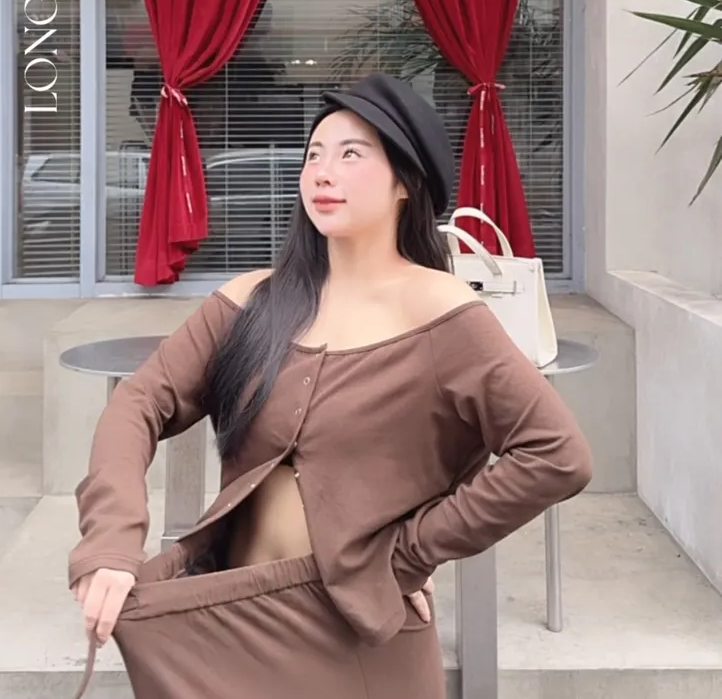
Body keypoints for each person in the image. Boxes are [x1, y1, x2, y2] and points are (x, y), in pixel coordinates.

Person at [68, 72, 592, 699]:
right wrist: (111, 542)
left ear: (405, 182)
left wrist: (411, 552)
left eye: (351, 154)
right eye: (314, 154)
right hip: (231, 626)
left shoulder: (442, 310)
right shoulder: (253, 301)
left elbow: (556, 454)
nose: (322, 172)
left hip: (359, 640)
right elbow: (139, 401)